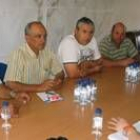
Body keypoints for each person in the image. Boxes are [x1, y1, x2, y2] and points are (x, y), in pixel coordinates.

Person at [4, 21, 64, 93]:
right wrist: (38, 87)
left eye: (44, 36)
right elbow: (10, 84)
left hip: (43, 96)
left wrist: (57, 81)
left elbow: (60, 72)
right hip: (26, 97)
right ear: (27, 38)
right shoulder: (19, 54)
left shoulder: (47, 52)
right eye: (38, 36)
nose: (43, 40)